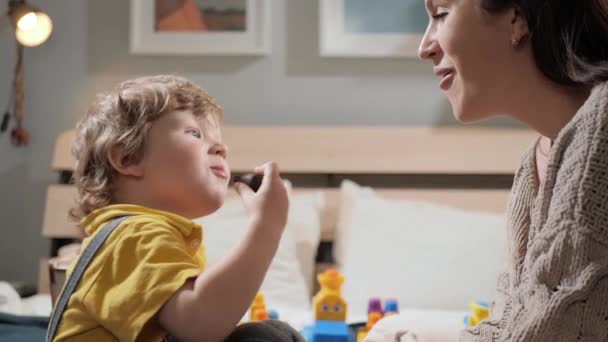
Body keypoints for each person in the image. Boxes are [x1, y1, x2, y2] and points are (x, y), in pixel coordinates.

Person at [368, 0, 608, 341]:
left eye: (441, 15)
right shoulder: (537, 161)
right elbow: (510, 324)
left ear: (517, 17)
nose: (424, 48)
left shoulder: (600, 131)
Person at [48, 75, 303, 342]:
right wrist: (266, 226)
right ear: (128, 158)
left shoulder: (148, 238)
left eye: (218, 140)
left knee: (268, 334)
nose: (221, 148)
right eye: (195, 133)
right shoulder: (132, 236)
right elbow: (201, 324)